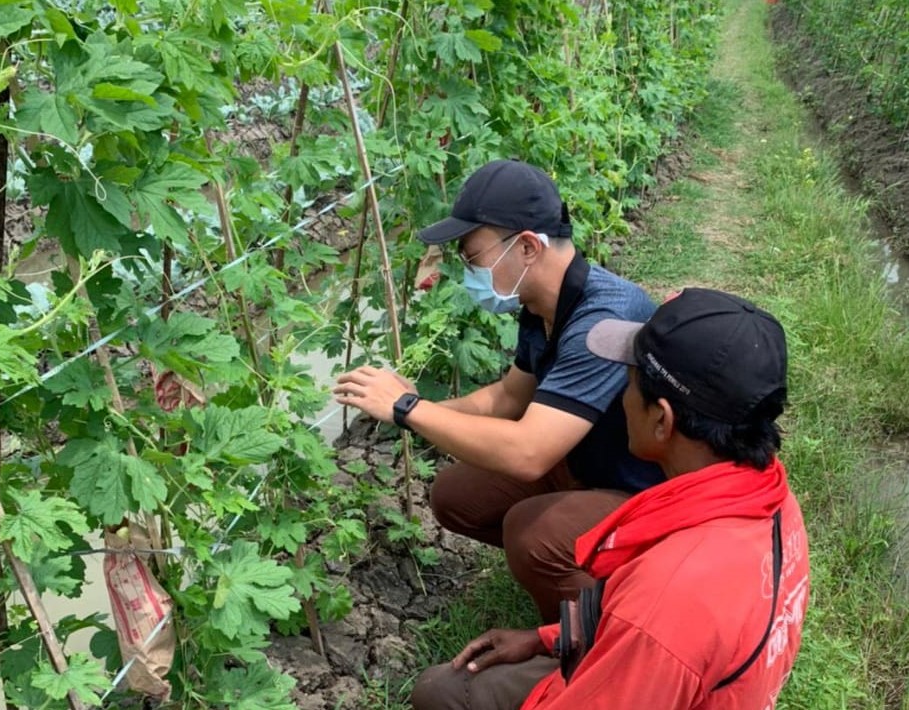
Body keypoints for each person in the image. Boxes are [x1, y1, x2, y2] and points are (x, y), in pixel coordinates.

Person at [409, 287, 811, 710]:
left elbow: (655, 633)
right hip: (678, 677)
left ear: (661, 419)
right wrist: (553, 638)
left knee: (441, 693)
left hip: (654, 671)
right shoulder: (772, 500)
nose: (621, 397)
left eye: (629, 382)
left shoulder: (665, 601)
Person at [333, 159, 665, 622]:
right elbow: (510, 397)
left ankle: (604, 627)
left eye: (473, 258)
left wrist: (409, 408)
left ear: (527, 246)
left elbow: (527, 453)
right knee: (456, 495)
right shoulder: (540, 304)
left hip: (649, 494)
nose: (468, 271)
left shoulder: (604, 320)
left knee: (533, 533)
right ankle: (582, 566)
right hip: (585, 462)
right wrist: (417, 407)